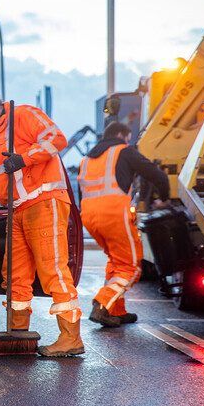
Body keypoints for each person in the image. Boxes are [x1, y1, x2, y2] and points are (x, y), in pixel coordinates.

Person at [0, 85, 84, 357]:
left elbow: (57, 139)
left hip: (44, 202)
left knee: (53, 270)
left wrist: (23, 159)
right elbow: (2, 178)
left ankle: (71, 338)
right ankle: (17, 335)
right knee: (15, 276)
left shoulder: (23, 115)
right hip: (18, 210)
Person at [79, 121, 169, 327]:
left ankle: (116, 310)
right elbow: (157, 175)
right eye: (128, 138)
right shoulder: (124, 151)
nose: (129, 142)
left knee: (117, 261)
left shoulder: (87, 159)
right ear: (121, 135)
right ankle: (103, 304)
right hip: (114, 214)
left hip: (90, 216)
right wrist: (163, 197)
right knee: (131, 266)